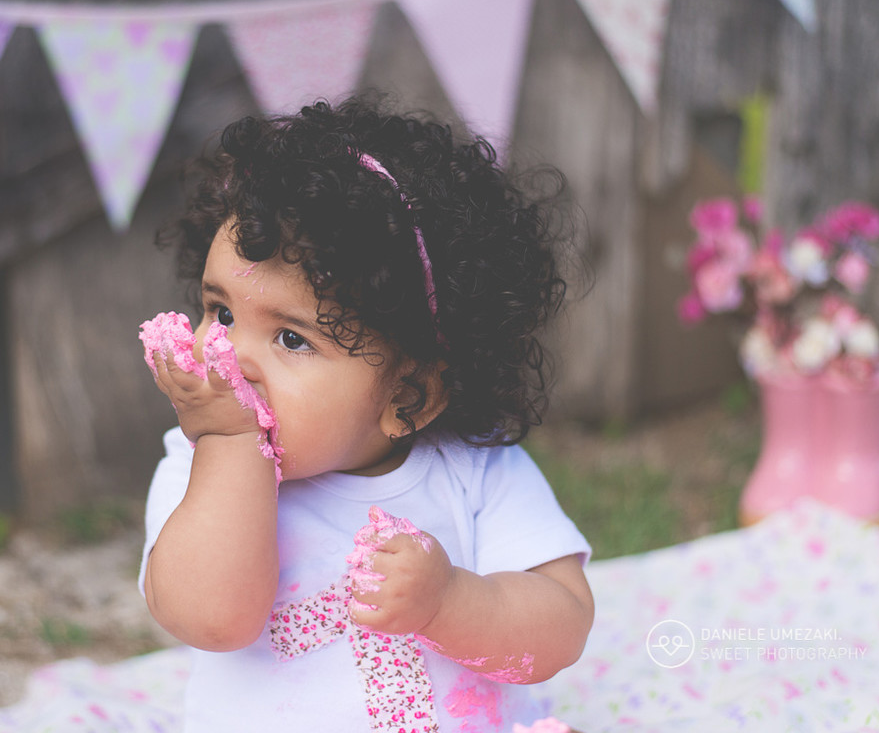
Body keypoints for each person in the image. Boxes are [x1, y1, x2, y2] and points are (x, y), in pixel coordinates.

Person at [140, 97, 593, 733]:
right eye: (222, 311)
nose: (231, 355)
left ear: (407, 398)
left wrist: (451, 603)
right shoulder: (199, 465)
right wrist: (230, 443)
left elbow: (561, 628)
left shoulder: (474, 467)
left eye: (292, 338)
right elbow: (213, 619)